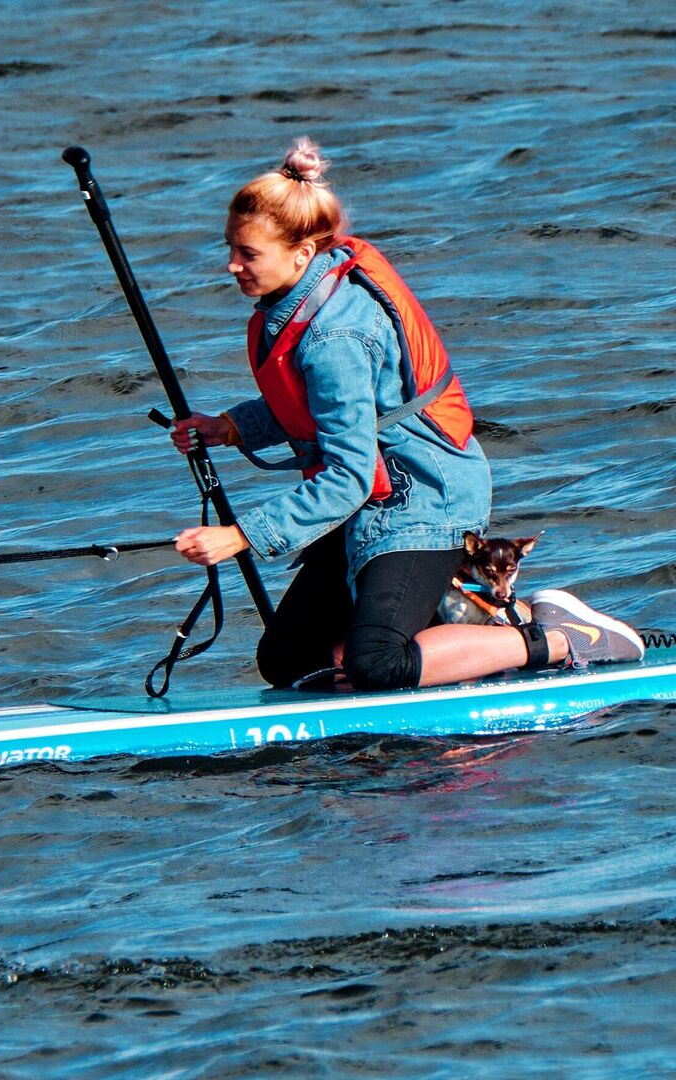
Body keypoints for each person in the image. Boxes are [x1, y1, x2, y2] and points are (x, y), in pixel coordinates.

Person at [170, 138, 643, 691]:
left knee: (377, 662)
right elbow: (324, 405)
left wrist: (240, 536)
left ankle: (561, 636)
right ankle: (443, 615)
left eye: (247, 254)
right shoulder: (309, 292)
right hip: (373, 501)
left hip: (424, 499)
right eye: (230, 248)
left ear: (302, 253)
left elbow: (348, 475)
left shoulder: (335, 336)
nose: (232, 266)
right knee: (286, 661)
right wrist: (231, 427)